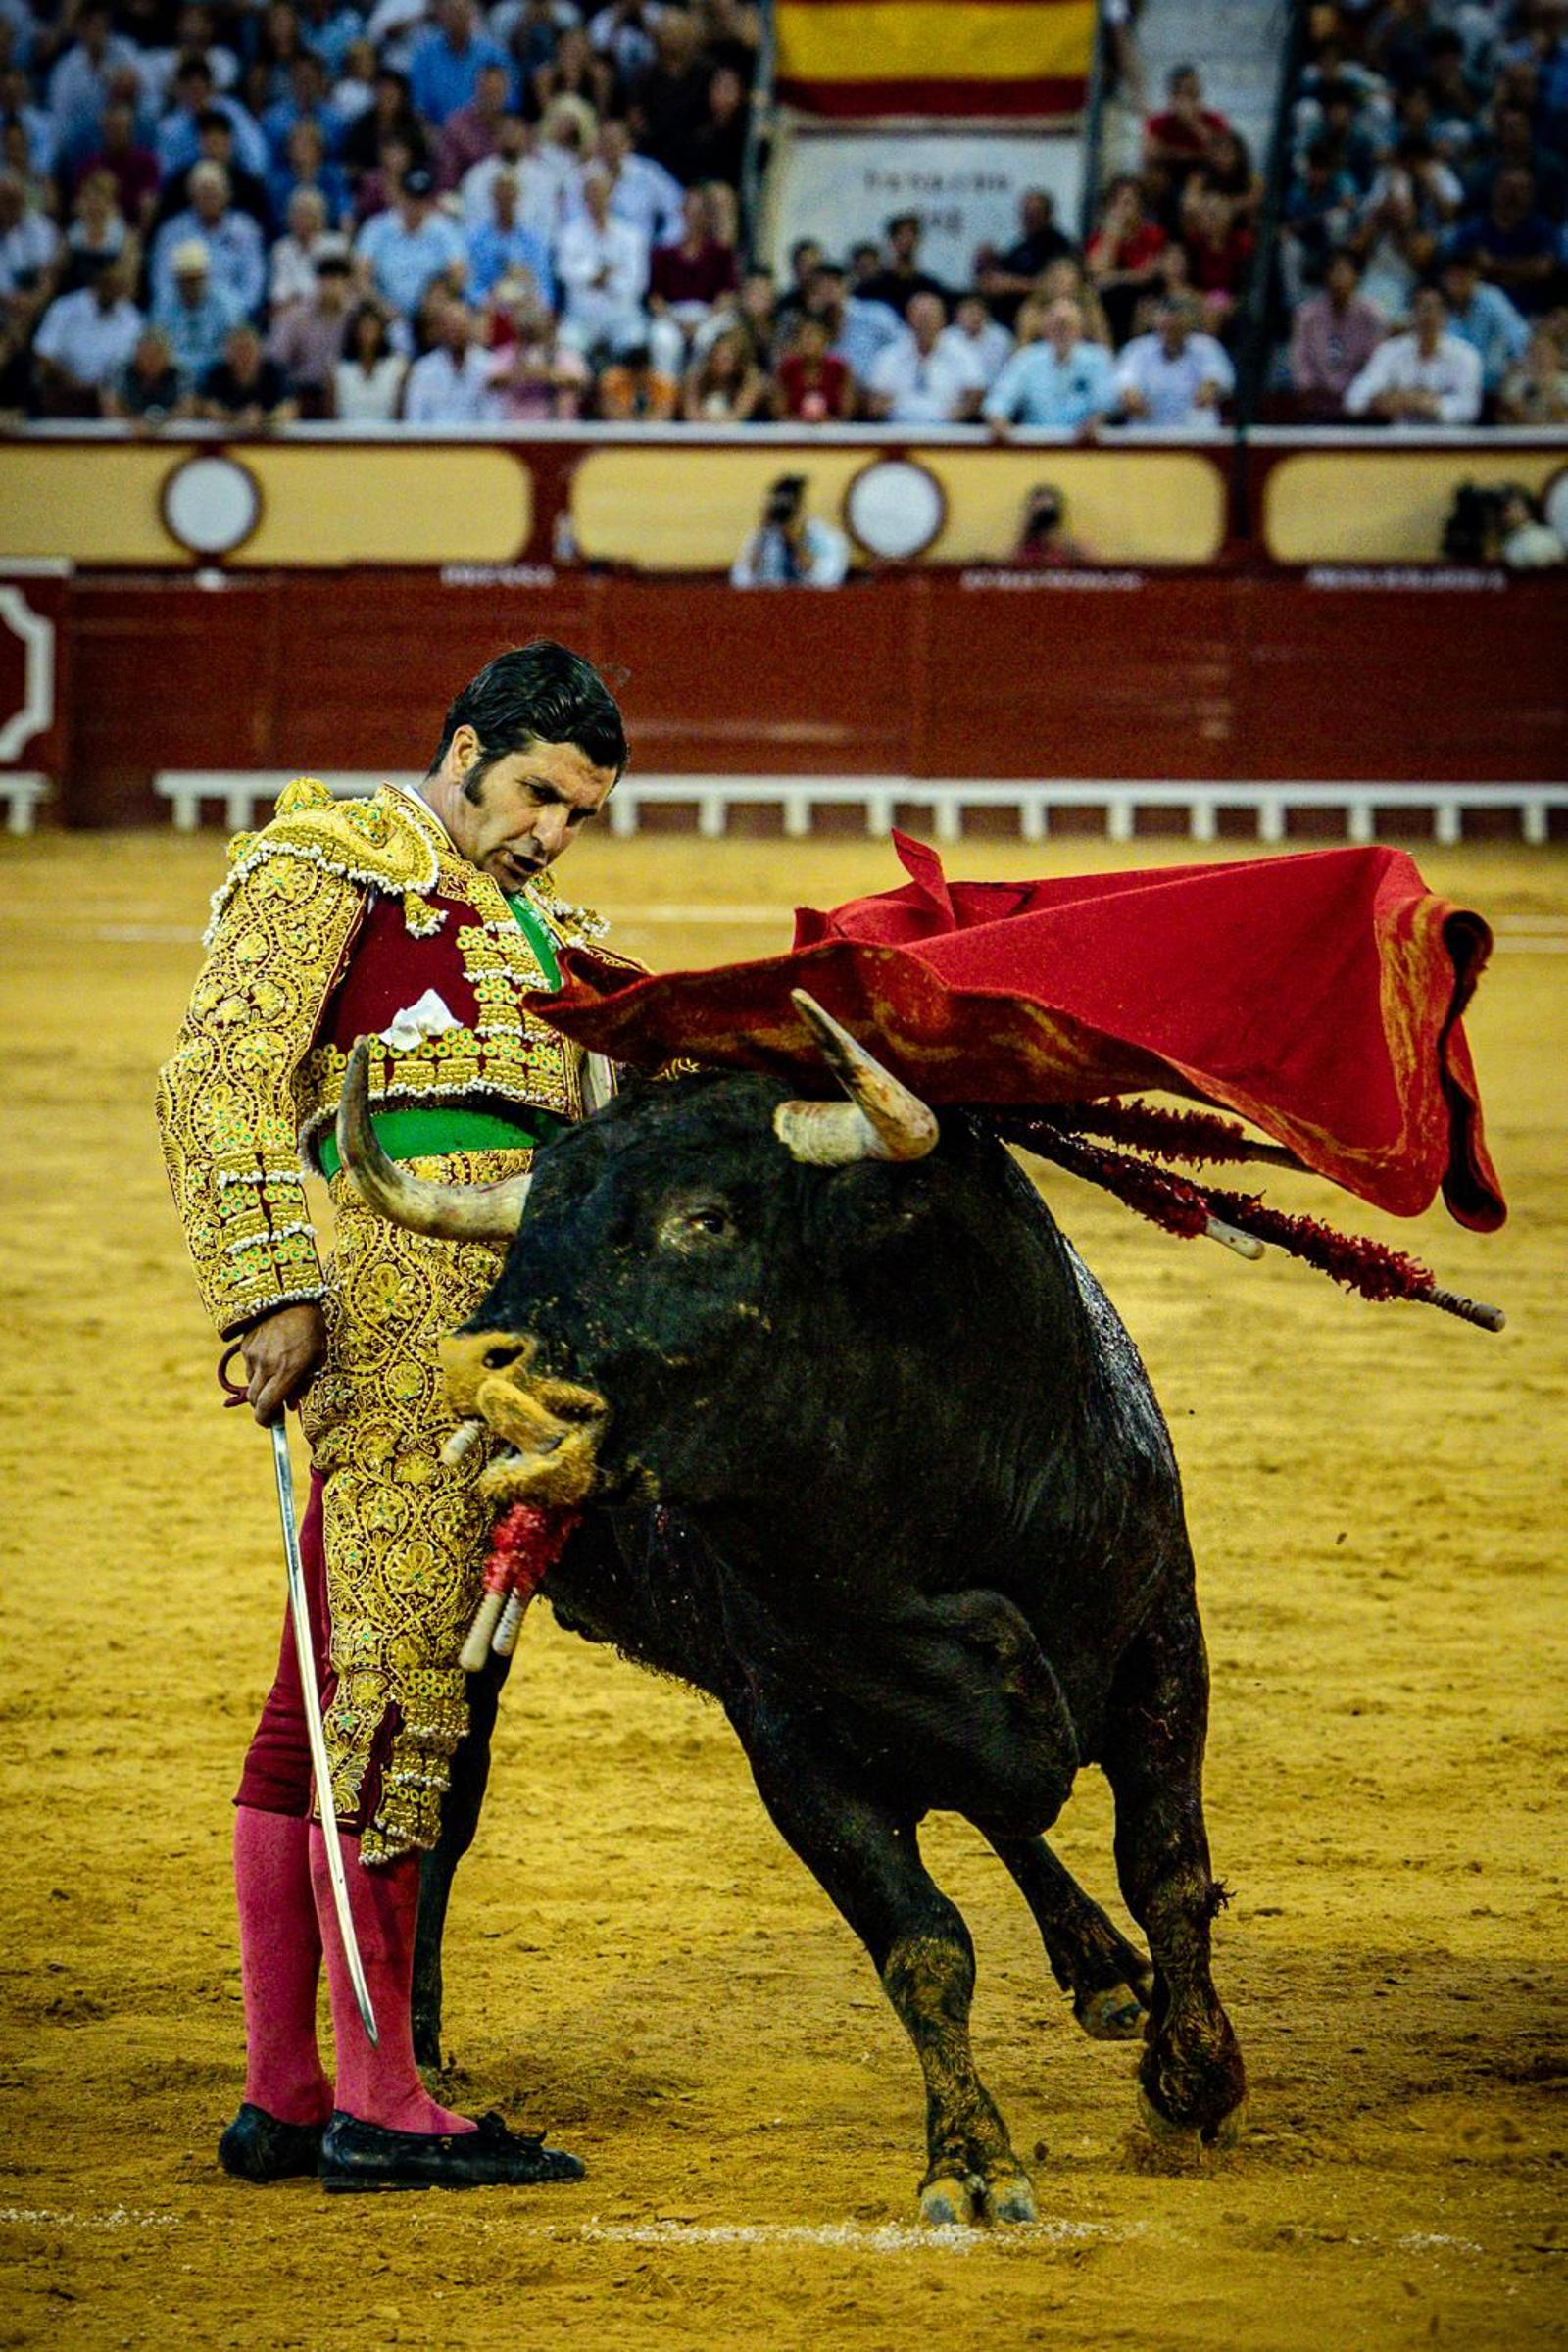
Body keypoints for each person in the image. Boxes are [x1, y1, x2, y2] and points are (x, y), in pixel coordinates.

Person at [157, 642, 630, 2193]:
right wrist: (270, 1288)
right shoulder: (332, 859)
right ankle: (381, 2099)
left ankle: (287, 2094)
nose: (555, 833)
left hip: (520, 1323)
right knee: (399, 1686)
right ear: (469, 747)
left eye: (582, 814)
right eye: (541, 795)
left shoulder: (556, 934)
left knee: (324, 1690)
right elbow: (221, 1076)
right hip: (397, 1307)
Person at [1344, 281, 1483, 425]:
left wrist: (1430, 404)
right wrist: (1379, 399)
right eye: (1421, 307)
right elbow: (1353, 400)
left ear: (1446, 314)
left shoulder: (1465, 355)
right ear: (1411, 313)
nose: (1428, 315)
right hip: (1402, 438)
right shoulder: (1391, 350)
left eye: (1434, 308)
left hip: (1449, 437)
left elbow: (1471, 408)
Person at [983, 295, 1117, 434]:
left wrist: (1097, 420)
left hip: (1084, 442)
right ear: (1045, 328)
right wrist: (998, 419)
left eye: (1068, 325)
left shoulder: (1098, 358)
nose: (1062, 331)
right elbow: (1000, 399)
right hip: (1036, 441)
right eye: (1056, 325)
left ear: (1080, 328)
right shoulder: (1027, 358)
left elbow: (1108, 402)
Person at [1288, 248, 1386, 418]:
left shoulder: (1371, 316)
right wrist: (1311, 388)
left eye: (1344, 272)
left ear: (1356, 277)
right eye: (1334, 271)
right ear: (1326, 276)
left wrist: (1357, 393)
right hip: (1317, 402)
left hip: (1359, 405)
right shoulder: (1307, 315)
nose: (1339, 278)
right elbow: (1300, 360)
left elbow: (1376, 364)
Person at [1113, 294, 1234, 430]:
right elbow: (1124, 382)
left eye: (1177, 327)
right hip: (1147, 432)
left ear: (1189, 324)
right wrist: (1130, 395)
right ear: (1156, 323)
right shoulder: (1137, 348)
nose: (1171, 330)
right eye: (1166, 326)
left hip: (1196, 433)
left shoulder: (1207, 346)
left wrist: (1210, 387)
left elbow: (1220, 377)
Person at [864, 292, 985, 425]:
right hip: (898, 428)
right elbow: (875, 402)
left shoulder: (963, 352)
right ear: (908, 319)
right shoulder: (890, 354)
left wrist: (956, 415)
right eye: (920, 317)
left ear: (943, 320)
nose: (925, 323)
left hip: (949, 428)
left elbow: (976, 394)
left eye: (930, 317)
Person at [730, 472, 849, 587]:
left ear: (802, 505)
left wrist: (794, 541)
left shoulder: (827, 537)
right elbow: (741, 581)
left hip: (807, 598)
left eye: (790, 504)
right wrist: (762, 536)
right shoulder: (761, 536)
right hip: (767, 596)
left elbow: (826, 581)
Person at [330, 296, 408, 418]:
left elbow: (401, 414)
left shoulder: (398, 366)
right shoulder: (338, 369)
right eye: (363, 327)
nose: (367, 333)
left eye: (372, 327)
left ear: (381, 331)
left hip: (388, 430)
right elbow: (331, 417)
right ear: (354, 331)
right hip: (346, 430)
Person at [1009, 482, 1096, 568]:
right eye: (1039, 515)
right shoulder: (1024, 549)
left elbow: (1093, 568)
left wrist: (1069, 546)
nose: (1044, 521)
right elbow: (1013, 567)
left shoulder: (1070, 547)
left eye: (1048, 514)